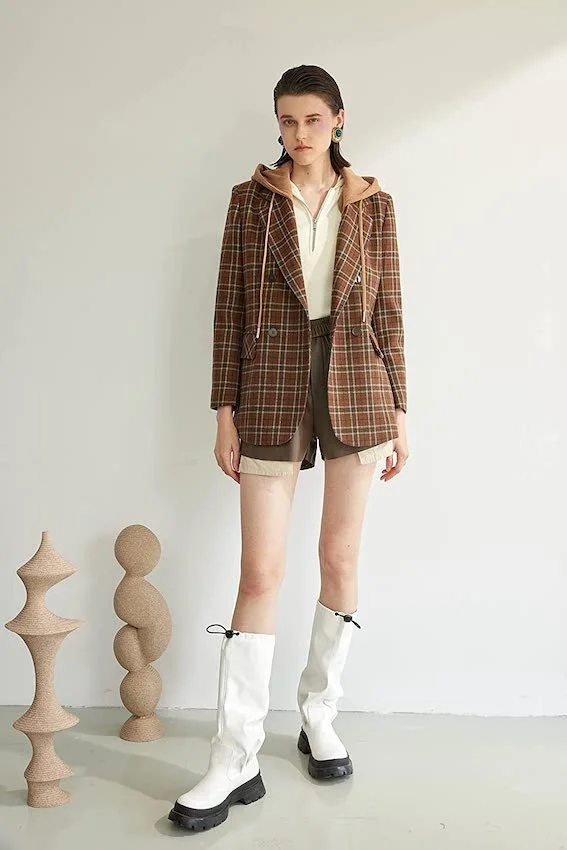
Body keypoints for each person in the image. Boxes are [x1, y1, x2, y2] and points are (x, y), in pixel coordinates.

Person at [168, 64, 409, 833]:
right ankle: (234, 757)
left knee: (339, 558)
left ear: (338, 120)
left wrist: (400, 409)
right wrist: (224, 410)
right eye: (286, 119)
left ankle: (318, 715)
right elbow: (228, 308)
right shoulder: (250, 201)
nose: (298, 133)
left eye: (311, 118)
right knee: (260, 572)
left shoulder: (372, 203)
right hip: (269, 384)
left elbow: (389, 312)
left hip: (357, 384)